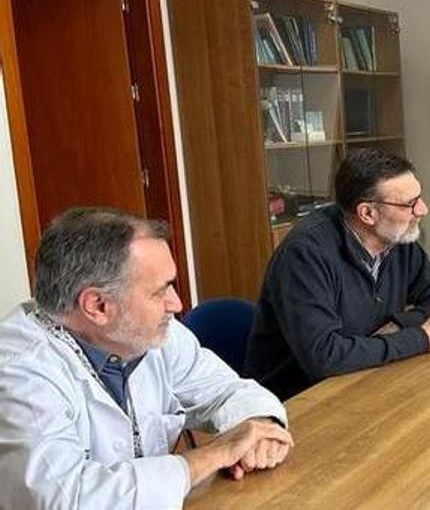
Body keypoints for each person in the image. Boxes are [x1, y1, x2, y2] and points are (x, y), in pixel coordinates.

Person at [0, 207, 292, 508]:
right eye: (160, 291)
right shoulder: (20, 372)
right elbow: (67, 499)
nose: (176, 304)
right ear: (98, 305)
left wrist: (259, 428)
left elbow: (229, 390)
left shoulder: (151, 335)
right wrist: (216, 454)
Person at [245, 148, 430, 399]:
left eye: (420, 198)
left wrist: (398, 325)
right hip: (300, 401)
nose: (423, 210)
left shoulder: (396, 240)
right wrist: (418, 338)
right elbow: (324, 357)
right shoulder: (305, 255)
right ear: (367, 213)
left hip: (365, 377)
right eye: (409, 204)